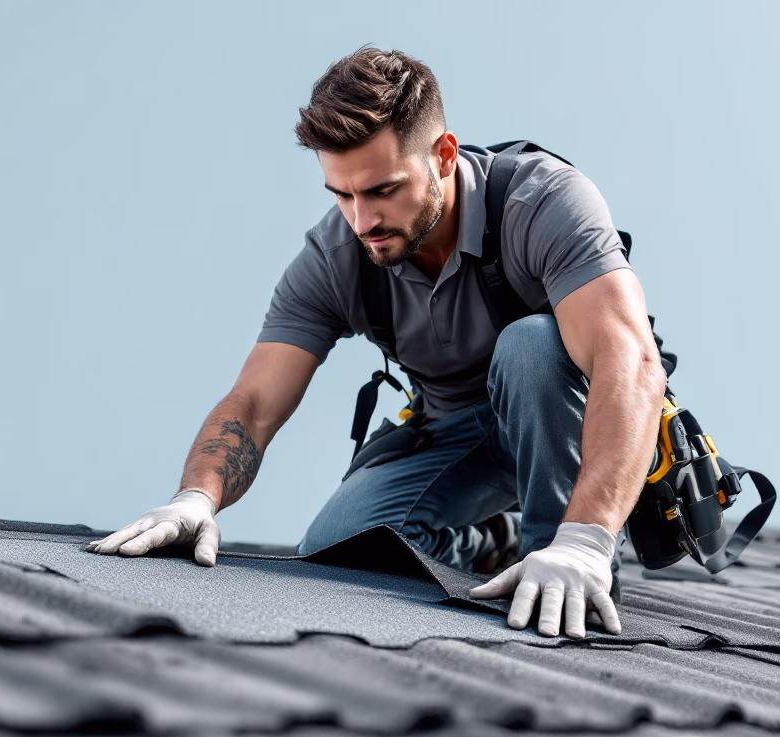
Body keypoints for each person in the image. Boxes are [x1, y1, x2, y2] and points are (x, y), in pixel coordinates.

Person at [88, 47, 666, 640]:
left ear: (443, 155)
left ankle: (560, 555)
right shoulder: (337, 256)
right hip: (454, 434)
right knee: (340, 549)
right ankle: (498, 543)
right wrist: (196, 498)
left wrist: (584, 539)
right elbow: (257, 401)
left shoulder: (539, 203)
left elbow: (630, 360)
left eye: (382, 190)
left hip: (563, 415)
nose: (362, 220)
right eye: (342, 195)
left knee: (531, 344)